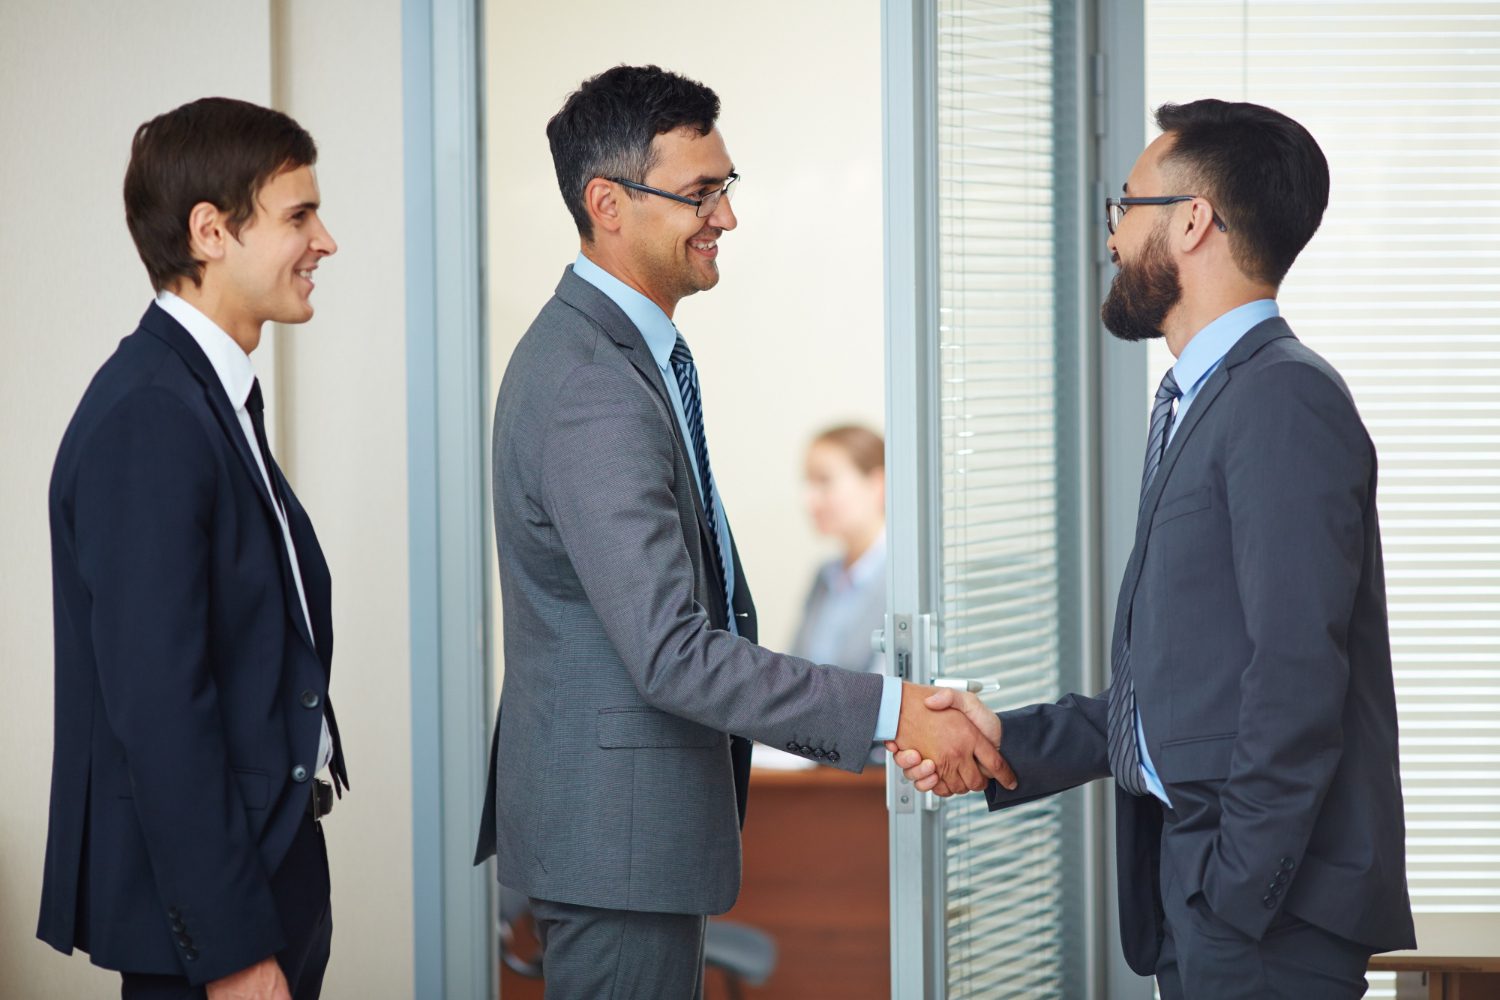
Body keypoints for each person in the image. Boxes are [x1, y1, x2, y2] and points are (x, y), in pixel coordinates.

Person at [473, 65, 1011, 999]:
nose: (726, 217)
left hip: (625, 846)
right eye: (700, 193)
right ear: (607, 203)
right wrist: (892, 712)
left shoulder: (626, 358)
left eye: (727, 188)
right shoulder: (592, 385)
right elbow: (673, 651)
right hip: (614, 853)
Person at [895, 99, 1414, 998]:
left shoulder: (1280, 401)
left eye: (1123, 208)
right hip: (1205, 895)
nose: (1111, 238)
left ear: (1190, 220)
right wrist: (1006, 739)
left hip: (1260, 917)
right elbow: (1186, 691)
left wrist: (1237, 893)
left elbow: (1297, 679)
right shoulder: (1202, 402)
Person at [38, 97, 345, 1000]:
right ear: (210, 231)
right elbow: (160, 708)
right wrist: (235, 949)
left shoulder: (204, 396)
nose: (325, 241)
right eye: (298, 216)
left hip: (266, 869)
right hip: (217, 919)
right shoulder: (151, 415)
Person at [789, 425, 887, 675]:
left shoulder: (904, 583)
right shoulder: (825, 576)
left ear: (877, 484)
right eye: (808, 482)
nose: (809, 499)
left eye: (824, 481)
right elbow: (794, 673)